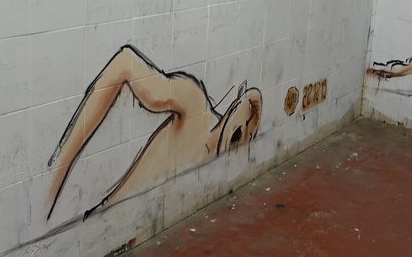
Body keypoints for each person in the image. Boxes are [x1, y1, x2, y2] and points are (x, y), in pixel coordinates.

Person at [47, 45, 262, 219]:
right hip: (105, 219)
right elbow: (125, 63)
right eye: (241, 128)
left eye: (245, 136)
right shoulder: (195, 105)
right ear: (236, 98)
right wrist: (56, 173)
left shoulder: (215, 170)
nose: (242, 135)